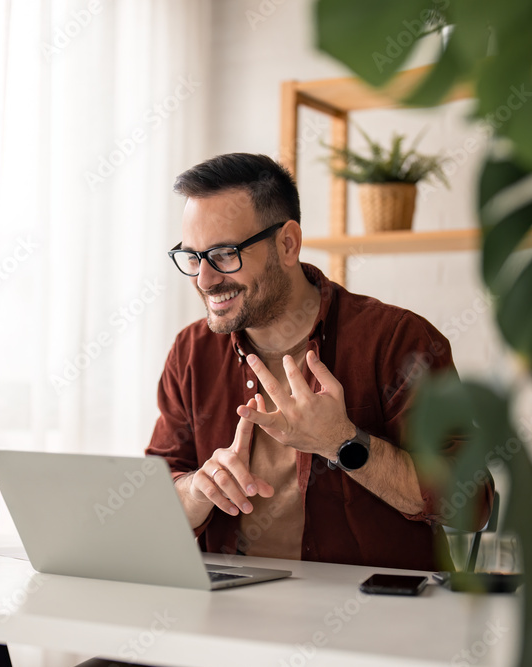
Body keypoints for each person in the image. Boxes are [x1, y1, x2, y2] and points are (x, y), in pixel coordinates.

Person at [145, 153, 493, 572]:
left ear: (287, 244)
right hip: (230, 618)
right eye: (192, 257)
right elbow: (155, 497)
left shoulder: (398, 340)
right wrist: (194, 492)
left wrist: (343, 442)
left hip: (379, 623)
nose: (204, 280)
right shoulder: (191, 352)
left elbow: (472, 504)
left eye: (223, 254)